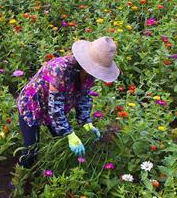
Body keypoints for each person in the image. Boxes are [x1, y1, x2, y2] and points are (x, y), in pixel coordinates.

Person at [15, 36, 120, 167]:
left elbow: (84, 97)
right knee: (31, 149)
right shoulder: (60, 69)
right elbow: (55, 107)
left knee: (61, 139)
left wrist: (86, 121)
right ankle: (18, 179)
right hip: (32, 104)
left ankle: (52, 170)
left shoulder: (88, 75)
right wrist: (69, 133)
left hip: (52, 107)